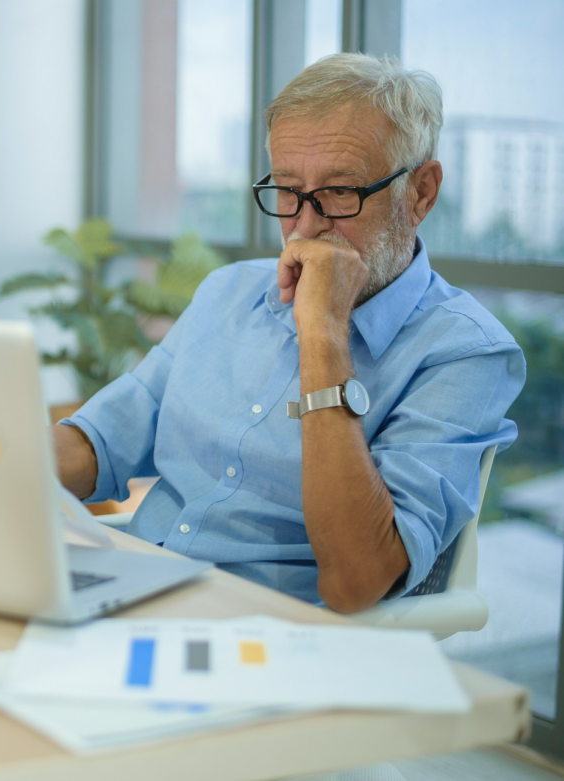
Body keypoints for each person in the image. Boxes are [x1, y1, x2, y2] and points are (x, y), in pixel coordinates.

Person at [54, 53, 526, 614]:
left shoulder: (466, 352)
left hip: (271, 632)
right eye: (287, 190)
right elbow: (103, 443)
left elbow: (357, 579)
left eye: (341, 191)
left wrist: (323, 331)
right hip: (136, 591)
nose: (305, 225)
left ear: (421, 192)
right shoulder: (228, 291)